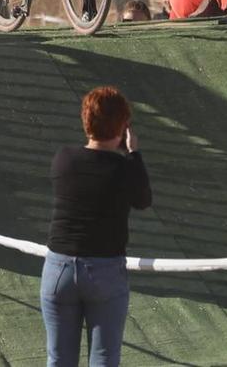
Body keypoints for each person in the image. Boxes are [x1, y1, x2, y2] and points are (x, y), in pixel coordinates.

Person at [43, 86, 152, 367]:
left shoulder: (63, 159)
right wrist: (134, 154)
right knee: (104, 359)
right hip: (104, 271)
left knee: (58, 359)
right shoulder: (125, 169)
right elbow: (143, 200)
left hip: (58, 270)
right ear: (124, 127)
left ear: (86, 121)